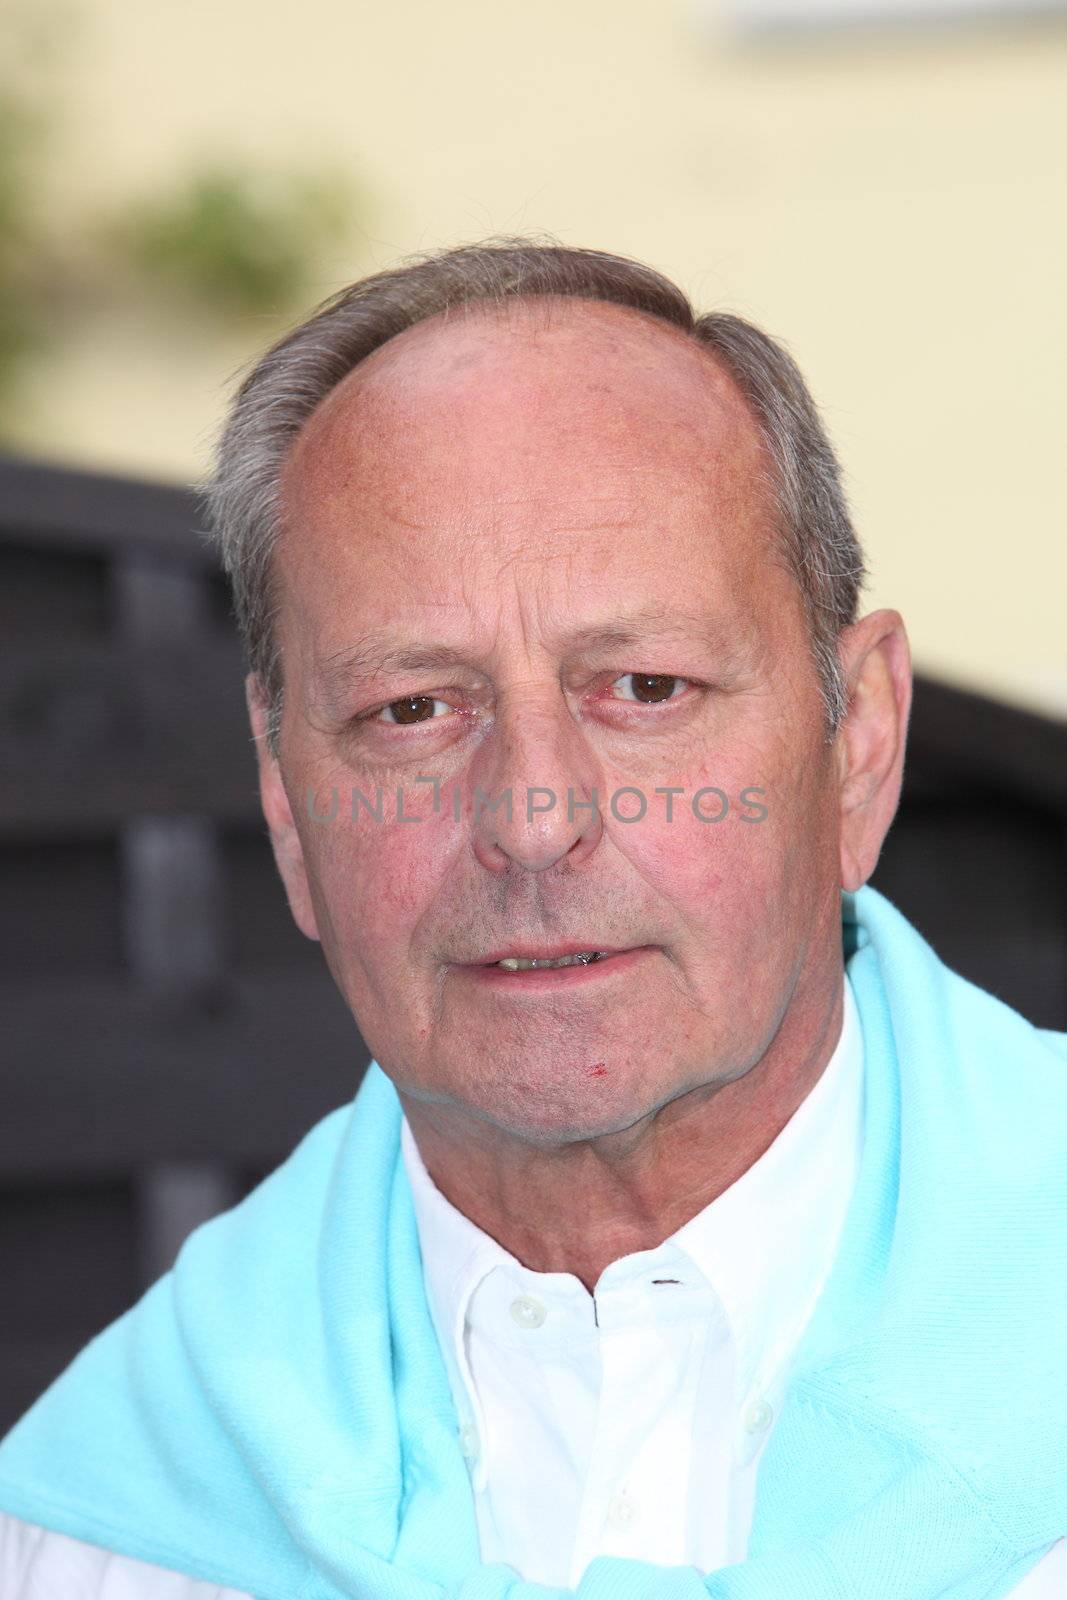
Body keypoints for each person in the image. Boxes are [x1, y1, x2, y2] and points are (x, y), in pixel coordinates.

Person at [1, 239, 1065, 1600]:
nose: (533, 816)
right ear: (285, 807)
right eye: (412, 711)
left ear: (857, 740)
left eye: (643, 685)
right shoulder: (106, 1529)